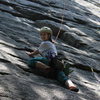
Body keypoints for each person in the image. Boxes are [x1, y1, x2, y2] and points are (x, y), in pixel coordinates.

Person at [26, 26, 79, 92]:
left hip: (48, 61)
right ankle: (71, 85)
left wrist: (31, 54)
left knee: (31, 61)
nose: (42, 36)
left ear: (49, 35)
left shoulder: (45, 43)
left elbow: (38, 51)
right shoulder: (51, 44)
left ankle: (47, 68)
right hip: (56, 64)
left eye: (44, 34)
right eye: (41, 35)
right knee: (61, 76)